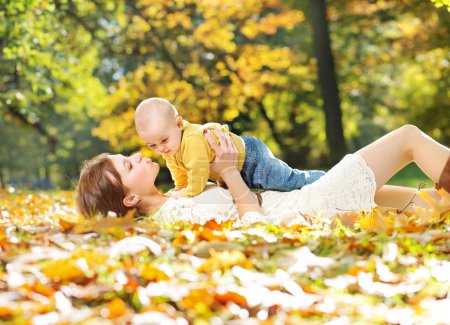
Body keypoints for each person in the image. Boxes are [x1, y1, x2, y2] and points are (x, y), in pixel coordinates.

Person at [76, 125, 450, 225]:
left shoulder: (178, 194)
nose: (137, 157)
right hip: (310, 205)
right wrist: (229, 175)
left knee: (432, 206)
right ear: (130, 198)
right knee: (408, 139)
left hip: (305, 196)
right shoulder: (175, 216)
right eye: (127, 165)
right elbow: (253, 229)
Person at [134, 97, 325, 197]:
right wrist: (181, 186)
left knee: (287, 181)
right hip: (236, 167)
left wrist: (188, 193)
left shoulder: (191, 139)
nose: (160, 148)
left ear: (178, 124)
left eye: (163, 140)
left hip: (251, 158)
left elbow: (198, 171)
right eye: (152, 145)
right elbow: (178, 170)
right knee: (272, 191)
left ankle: (326, 178)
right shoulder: (170, 147)